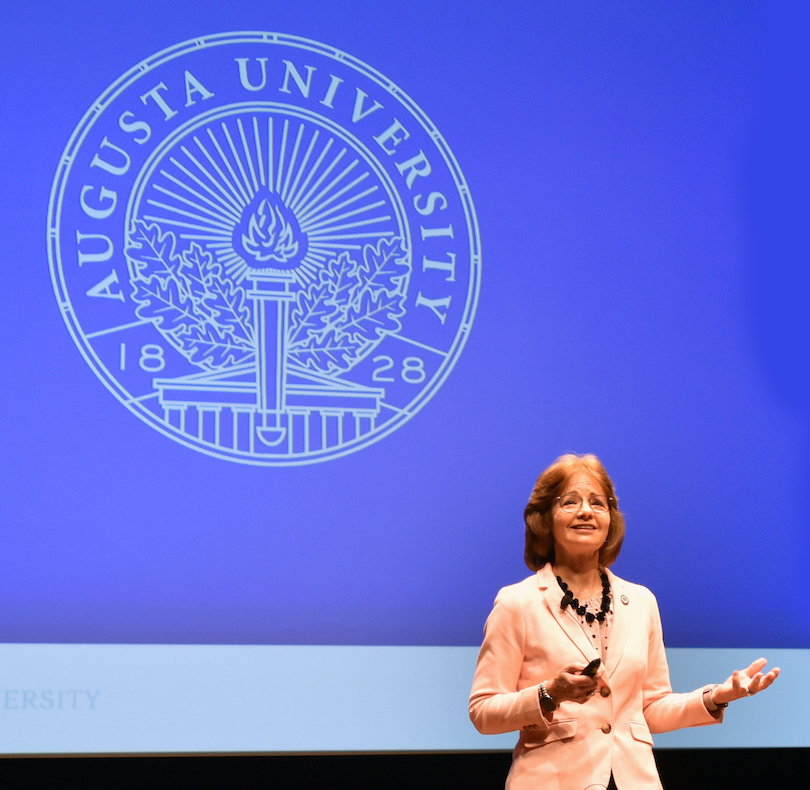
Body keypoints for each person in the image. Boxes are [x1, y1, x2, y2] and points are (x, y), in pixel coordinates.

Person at [469, 453, 779, 790]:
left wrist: (715, 697)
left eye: (598, 503)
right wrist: (550, 693)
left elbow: (651, 707)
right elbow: (483, 712)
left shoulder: (641, 601)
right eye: (570, 501)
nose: (586, 511)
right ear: (545, 520)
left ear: (610, 520)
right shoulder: (517, 603)